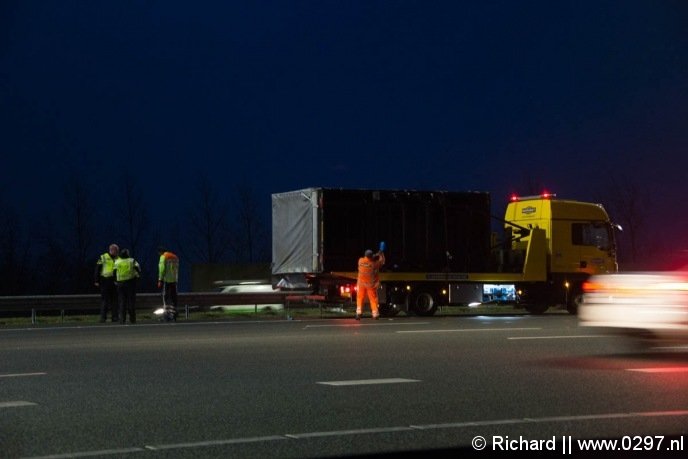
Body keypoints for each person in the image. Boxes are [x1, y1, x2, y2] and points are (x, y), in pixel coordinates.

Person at [356, 246, 385, 320]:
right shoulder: (374, 264)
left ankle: (358, 313)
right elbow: (382, 261)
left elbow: (370, 258)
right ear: (371, 256)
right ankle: (375, 314)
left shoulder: (360, 261)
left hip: (361, 284)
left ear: (365, 255)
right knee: (373, 299)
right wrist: (381, 254)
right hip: (370, 285)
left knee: (360, 298)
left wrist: (376, 254)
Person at [113, 249, 141, 324]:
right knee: (131, 302)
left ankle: (122, 320)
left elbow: (114, 272)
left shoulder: (117, 261)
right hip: (130, 283)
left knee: (122, 302)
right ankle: (132, 319)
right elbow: (138, 269)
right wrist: (137, 277)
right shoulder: (132, 261)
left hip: (120, 284)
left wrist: (115, 281)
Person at [94, 243, 120, 323]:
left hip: (114, 281)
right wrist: (96, 280)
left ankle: (114, 317)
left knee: (114, 300)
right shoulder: (103, 257)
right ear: (112, 250)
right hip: (105, 280)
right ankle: (103, 318)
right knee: (105, 300)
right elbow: (97, 269)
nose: (117, 252)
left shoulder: (118, 258)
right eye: (116, 251)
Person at [157, 247, 179, 322]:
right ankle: (174, 315)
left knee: (165, 298)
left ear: (160, 252)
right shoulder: (175, 257)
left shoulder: (163, 257)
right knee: (174, 298)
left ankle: (166, 316)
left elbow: (162, 269)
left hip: (166, 280)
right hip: (174, 280)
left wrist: (160, 279)